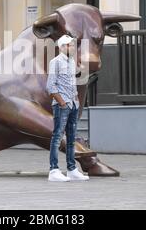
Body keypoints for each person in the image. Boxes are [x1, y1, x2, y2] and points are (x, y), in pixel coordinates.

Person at [46, 35, 89, 182]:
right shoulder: (55, 62)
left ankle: (71, 169)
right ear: (62, 46)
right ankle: (54, 170)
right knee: (57, 137)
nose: (73, 47)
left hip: (73, 104)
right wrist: (62, 102)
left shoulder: (71, 61)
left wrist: (75, 99)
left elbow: (72, 82)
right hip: (62, 105)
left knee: (71, 138)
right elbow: (50, 86)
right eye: (70, 45)